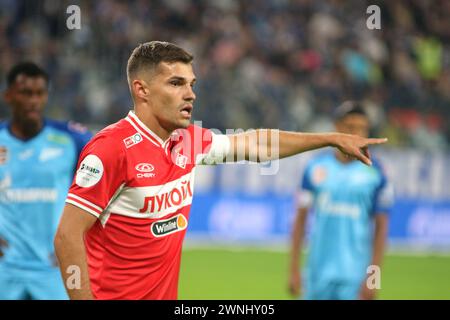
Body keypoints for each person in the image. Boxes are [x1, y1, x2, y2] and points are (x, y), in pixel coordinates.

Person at [54, 41, 387, 300]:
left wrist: (330, 138)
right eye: (175, 83)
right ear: (141, 90)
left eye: (191, 83)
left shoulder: (188, 141)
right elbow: (67, 236)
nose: (190, 94)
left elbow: (256, 145)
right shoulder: (111, 148)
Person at [0, 62, 92, 299]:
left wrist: (79, 241)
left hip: (53, 270)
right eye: (26, 93)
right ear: (9, 96)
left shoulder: (71, 140)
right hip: (5, 270)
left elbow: (99, 193)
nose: (33, 101)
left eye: (39, 94)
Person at [288, 101, 394, 300]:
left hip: (354, 276)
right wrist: (293, 270)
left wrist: (374, 279)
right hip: (317, 273)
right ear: (337, 128)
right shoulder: (315, 167)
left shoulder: (376, 172)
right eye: (350, 127)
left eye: (362, 128)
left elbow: (381, 229)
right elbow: (300, 219)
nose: (356, 133)